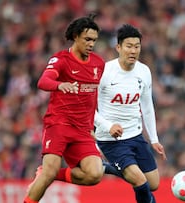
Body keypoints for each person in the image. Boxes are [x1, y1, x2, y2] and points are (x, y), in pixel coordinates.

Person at [23, 13, 105, 203]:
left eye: (94, 40)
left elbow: (94, 97)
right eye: (87, 39)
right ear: (76, 36)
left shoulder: (98, 63)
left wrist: (93, 126)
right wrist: (60, 85)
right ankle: (45, 176)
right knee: (49, 173)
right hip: (59, 124)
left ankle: (47, 173)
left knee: (95, 174)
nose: (91, 44)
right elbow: (43, 81)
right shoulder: (61, 59)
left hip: (82, 130)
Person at [94, 24, 167, 203]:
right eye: (129, 46)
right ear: (118, 47)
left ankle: (108, 168)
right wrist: (108, 126)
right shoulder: (105, 72)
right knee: (140, 182)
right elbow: (89, 108)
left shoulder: (144, 71)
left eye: (137, 46)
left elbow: (147, 106)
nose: (133, 50)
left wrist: (154, 139)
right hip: (111, 139)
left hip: (135, 135)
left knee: (153, 184)